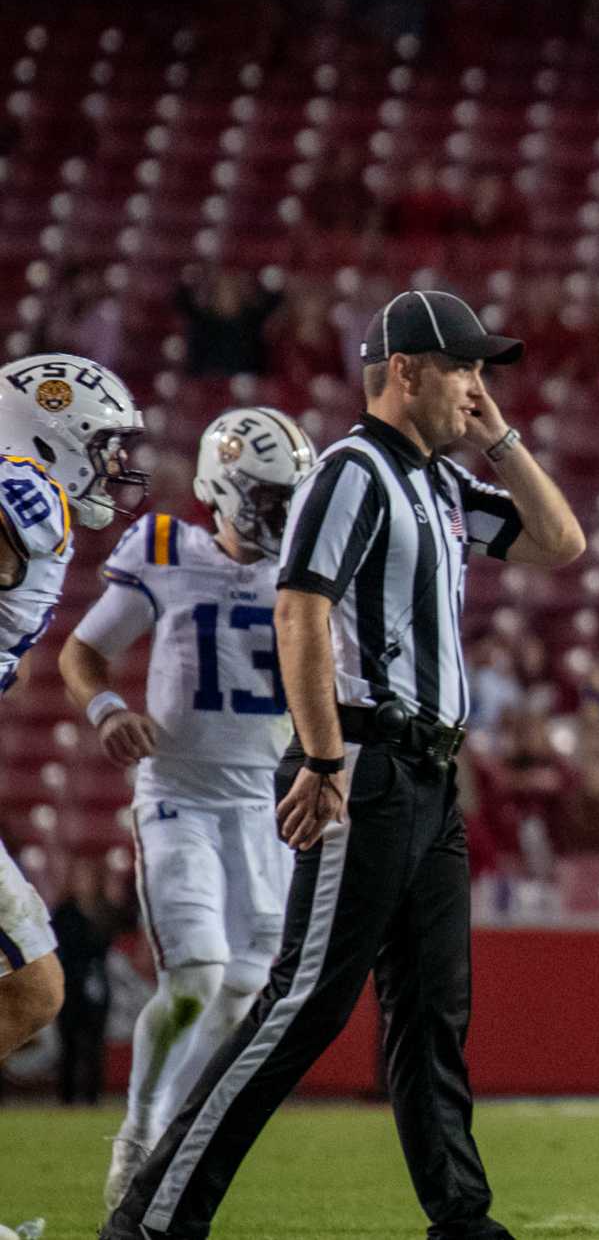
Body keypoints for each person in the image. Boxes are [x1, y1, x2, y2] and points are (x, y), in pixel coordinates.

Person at [103, 289, 586, 1240]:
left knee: (433, 1014)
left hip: (431, 777)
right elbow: (302, 608)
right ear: (406, 370)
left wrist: (501, 440)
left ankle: (461, 1217)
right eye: (463, 369)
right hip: (362, 762)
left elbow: (559, 545)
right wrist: (322, 759)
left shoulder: (439, 483)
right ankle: (153, 1221)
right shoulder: (353, 472)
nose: (476, 389)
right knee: (303, 1005)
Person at [58, 406, 317, 1211]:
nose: (282, 514)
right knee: (197, 974)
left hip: (262, 806)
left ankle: (173, 1137)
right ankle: (138, 1133)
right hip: (179, 798)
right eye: (269, 497)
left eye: (290, 499)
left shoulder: (306, 573)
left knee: (244, 991)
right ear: (225, 486)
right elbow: (84, 652)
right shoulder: (166, 550)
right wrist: (107, 711)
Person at [0, 352, 147, 1065]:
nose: (112, 466)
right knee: (36, 991)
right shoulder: (29, 493)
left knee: (35, 991)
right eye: (100, 446)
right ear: (52, 434)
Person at [49, 857, 122, 1104]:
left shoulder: (106, 910)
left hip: (97, 983)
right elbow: (60, 947)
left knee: (94, 1043)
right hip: (70, 984)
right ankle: (66, 1098)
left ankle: (92, 1097)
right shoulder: (64, 912)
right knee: (69, 1043)